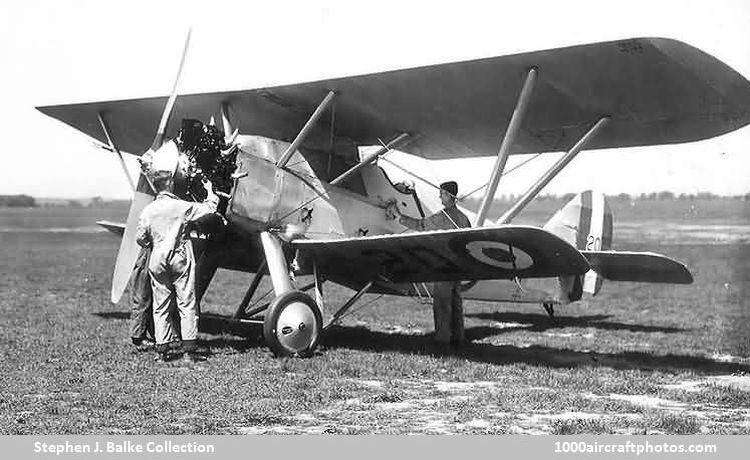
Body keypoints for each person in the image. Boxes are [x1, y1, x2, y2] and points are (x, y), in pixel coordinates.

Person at [136, 170, 219, 362]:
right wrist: (210, 190)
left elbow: (140, 238)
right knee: (187, 303)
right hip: (180, 256)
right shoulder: (181, 207)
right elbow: (210, 207)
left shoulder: (148, 210)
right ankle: (188, 351)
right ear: (171, 186)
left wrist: (154, 243)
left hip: (158, 258)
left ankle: (161, 351)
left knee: (160, 305)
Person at [386, 181, 471, 349]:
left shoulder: (442, 217)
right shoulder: (464, 218)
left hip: (443, 268)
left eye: (442, 193)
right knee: (456, 304)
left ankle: (442, 341)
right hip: (458, 269)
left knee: (442, 304)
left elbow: (420, 225)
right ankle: (459, 339)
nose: (439, 196)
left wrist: (398, 216)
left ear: (448, 195)